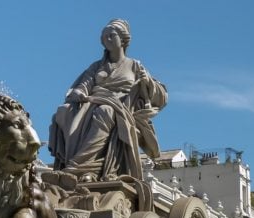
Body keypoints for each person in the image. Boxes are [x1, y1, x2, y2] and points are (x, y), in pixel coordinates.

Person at [49, 19, 167, 182]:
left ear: (123, 39)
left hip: (121, 106)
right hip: (93, 101)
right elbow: (84, 84)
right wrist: (78, 92)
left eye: (111, 35)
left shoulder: (134, 65)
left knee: (105, 110)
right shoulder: (96, 66)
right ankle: (75, 164)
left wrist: (147, 82)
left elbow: (161, 97)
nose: (107, 39)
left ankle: (79, 166)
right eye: (104, 36)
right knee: (63, 112)